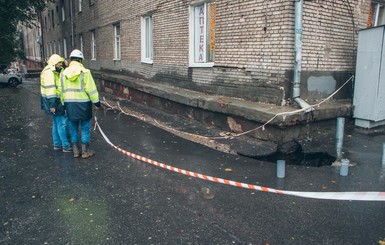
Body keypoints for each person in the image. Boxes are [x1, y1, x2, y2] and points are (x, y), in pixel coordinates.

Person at [59, 49, 101, 158]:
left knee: (73, 127)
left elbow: (61, 91)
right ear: (80, 60)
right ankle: (85, 151)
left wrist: (64, 104)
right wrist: (96, 103)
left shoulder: (63, 74)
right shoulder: (85, 72)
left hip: (69, 105)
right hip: (84, 104)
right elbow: (91, 89)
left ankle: (76, 151)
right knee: (85, 127)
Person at [40, 54, 72, 152]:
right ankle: (65, 146)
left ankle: (57, 144)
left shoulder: (52, 71)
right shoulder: (50, 72)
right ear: (54, 63)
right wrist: (52, 104)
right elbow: (51, 90)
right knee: (61, 124)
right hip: (54, 101)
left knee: (56, 123)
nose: (60, 64)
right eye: (59, 63)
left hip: (54, 101)